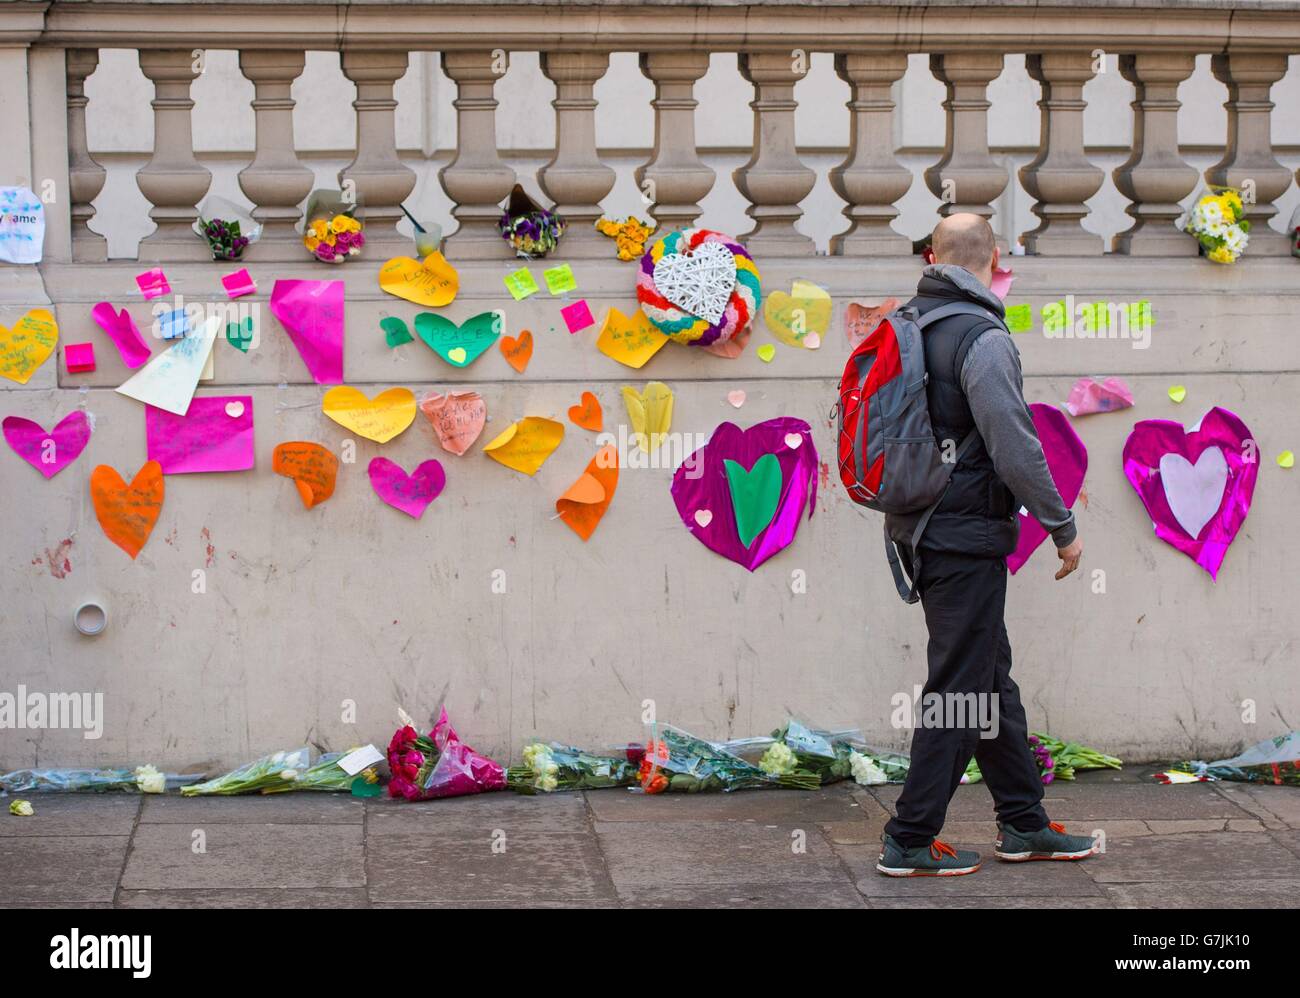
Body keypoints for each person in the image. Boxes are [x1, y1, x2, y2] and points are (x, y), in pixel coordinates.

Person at [876, 213, 1095, 877]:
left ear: (932, 256)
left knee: (988, 682)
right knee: (959, 692)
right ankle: (909, 837)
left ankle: (1023, 823)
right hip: (964, 536)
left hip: (922, 526)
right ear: (994, 259)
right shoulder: (981, 335)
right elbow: (1014, 444)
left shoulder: (909, 324)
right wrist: (1062, 525)